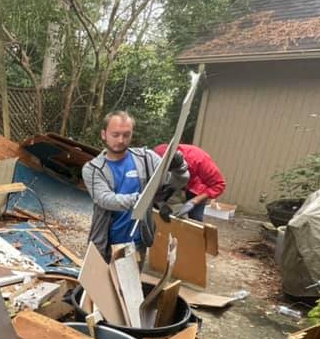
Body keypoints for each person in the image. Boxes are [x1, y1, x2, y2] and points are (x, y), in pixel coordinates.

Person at [82, 111, 189, 261]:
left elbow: (175, 183)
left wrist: (180, 167)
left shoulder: (147, 158)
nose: (121, 140)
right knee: (101, 284)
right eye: (115, 134)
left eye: (126, 135)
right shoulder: (93, 169)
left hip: (137, 242)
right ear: (103, 134)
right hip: (106, 244)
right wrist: (143, 199)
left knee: (130, 284)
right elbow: (105, 199)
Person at [153, 143, 226, 222]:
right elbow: (150, 187)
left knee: (195, 219)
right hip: (167, 181)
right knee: (154, 208)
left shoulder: (200, 160)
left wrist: (194, 201)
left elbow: (219, 184)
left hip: (196, 185)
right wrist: (161, 204)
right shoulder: (156, 157)